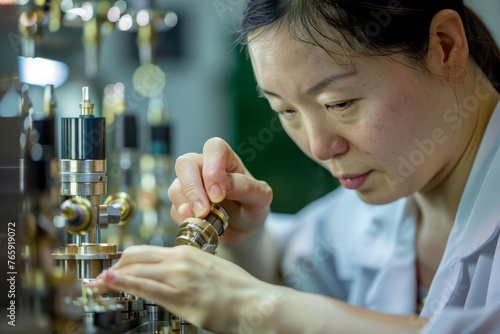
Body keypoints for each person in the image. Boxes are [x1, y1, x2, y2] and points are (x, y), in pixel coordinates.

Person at [93, 0, 500, 332]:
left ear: (445, 45)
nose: (320, 147)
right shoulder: (386, 199)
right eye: (284, 111)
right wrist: (244, 237)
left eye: (339, 103)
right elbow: (291, 268)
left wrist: (261, 310)